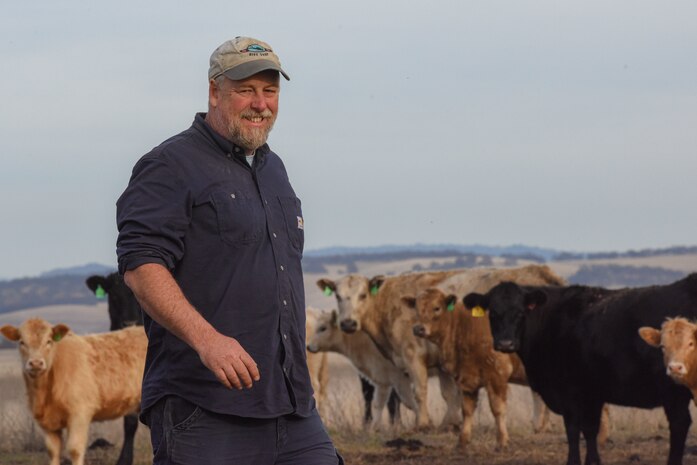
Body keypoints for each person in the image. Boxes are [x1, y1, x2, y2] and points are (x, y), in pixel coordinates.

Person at [116, 36, 343, 465]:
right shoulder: (169, 165)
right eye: (246, 90)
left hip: (292, 408)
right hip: (205, 408)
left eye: (270, 91)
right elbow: (141, 266)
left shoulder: (275, 170)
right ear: (214, 92)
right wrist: (208, 341)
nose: (260, 103)